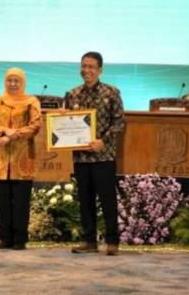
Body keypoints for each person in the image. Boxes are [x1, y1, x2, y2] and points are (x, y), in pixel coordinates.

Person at [65, 51, 125, 256]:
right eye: (84, 66)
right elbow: (66, 123)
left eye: (91, 66)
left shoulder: (111, 92)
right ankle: (89, 240)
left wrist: (103, 141)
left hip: (104, 156)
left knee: (108, 200)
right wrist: (62, 119)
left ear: (100, 70)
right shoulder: (72, 94)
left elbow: (119, 123)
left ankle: (112, 241)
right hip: (81, 157)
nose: (86, 70)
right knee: (85, 200)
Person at [0, 68, 41, 250]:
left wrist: (13, 135)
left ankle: (20, 239)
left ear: (23, 82)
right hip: (1, 159)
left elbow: (35, 126)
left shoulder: (31, 101)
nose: (13, 84)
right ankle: (4, 238)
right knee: (2, 202)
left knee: (21, 201)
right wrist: (4, 130)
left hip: (23, 159)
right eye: (10, 80)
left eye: (17, 80)